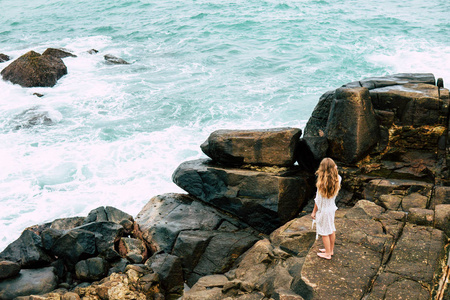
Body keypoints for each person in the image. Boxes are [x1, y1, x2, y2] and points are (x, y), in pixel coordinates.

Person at [311, 157, 341, 260]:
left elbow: (318, 201)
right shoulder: (338, 179)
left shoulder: (321, 183)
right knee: (331, 230)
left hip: (324, 211)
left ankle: (327, 254)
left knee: (324, 232)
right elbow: (335, 173)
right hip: (331, 209)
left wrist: (314, 212)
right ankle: (330, 250)